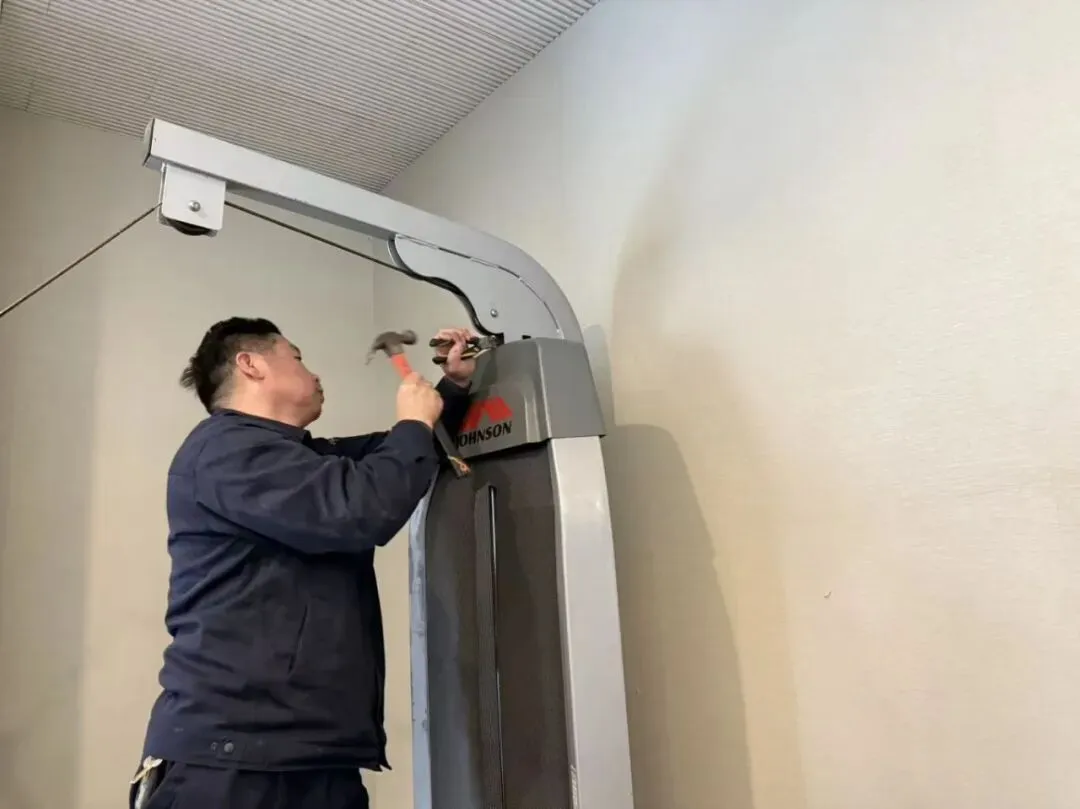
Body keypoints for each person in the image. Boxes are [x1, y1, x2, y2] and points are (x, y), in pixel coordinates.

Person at [129, 317, 477, 809]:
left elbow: (401, 459)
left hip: (307, 756)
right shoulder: (224, 450)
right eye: (296, 357)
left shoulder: (297, 458)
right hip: (232, 762)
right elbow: (360, 507)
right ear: (250, 364)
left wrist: (453, 390)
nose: (313, 374)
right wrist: (413, 422)